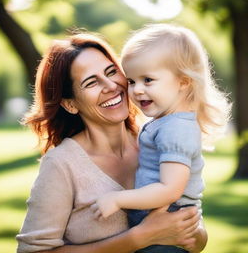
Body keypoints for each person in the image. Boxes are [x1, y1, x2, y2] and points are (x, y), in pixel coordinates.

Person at [16, 30, 208, 253]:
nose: (111, 86)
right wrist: (138, 238)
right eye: (91, 82)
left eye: (111, 72)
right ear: (70, 104)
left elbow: (194, 230)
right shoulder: (62, 164)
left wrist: (194, 234)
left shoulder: (155, 140)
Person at [92, 24, 231, 252]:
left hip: (169, 222)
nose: (136, 90)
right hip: (158, 220)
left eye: (148, 80)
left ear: (183, 81)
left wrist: (118, 199)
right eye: (132, 81)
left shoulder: (176, 128)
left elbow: (170, 190)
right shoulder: (166, 122)